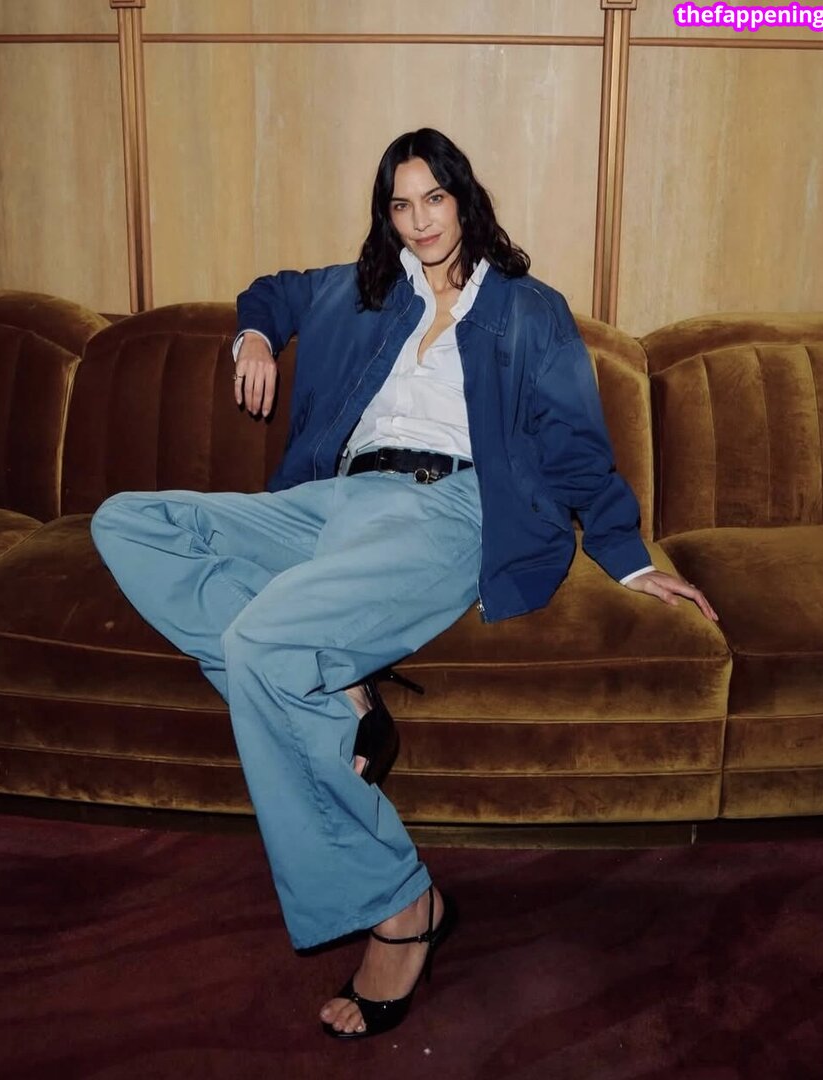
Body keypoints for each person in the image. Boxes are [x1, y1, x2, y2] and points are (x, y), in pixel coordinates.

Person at [91, 128, 717, 1042]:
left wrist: (629, 557)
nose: (419, 220)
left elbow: (578, 445)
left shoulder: (527, 310)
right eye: (400, 204)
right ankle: (336, 689)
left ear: (464, 201)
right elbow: (272, 292)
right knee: (128, 522)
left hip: (447, 508)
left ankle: (399, 903)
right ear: (386, 216)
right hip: (336, 500)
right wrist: (253, 338)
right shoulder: (368, 290)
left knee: (258, 644)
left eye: (434, 199)